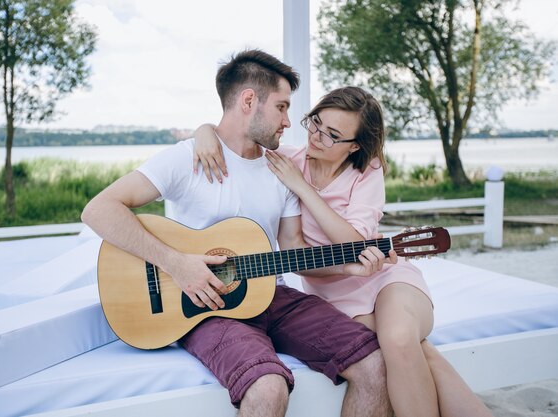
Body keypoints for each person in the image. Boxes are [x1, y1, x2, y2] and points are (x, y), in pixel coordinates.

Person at [82, 50, 393, 417]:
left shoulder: (280, 169)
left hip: (273, 295)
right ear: (249, 101)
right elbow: (98, 210)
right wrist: (177, 263)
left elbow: (293, 248)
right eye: (281, 107)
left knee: (374, 362)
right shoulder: (187, 158)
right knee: (267, 387)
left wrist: (347, 266)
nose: (289, 121)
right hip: (204, 307)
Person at [193, 86, 493, 417]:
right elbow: (238, 140)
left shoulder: (367, 170)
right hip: (332, 293)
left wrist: (302, 188)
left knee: (398, 339)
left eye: (332, 135)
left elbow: (354, 245)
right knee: (420, 352)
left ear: (355, 146)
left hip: (383, 275)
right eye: (315, 123)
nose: (317, 137)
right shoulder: (286, 162)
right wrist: (203, 132)